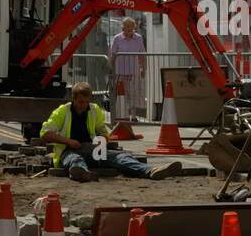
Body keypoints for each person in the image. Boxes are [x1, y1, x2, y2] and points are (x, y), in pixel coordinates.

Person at [41, 81, 182, 183]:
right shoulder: (62, 111)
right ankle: (80, 172)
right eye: (80, 102)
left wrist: (101, 141)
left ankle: (151, 171)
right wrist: (69, 141)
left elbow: (103, 132)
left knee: (121, 157)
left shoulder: (94, 109)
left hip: (92, 150)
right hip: (68, 150)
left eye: (86, 102)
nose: (83, 106)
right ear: (73, 98)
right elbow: (45, 134)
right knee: (75, 159)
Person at [108, 17, 147, 119]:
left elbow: (142, 55)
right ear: (123, 27)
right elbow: (113, 55)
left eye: (132, 26)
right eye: (127, 26)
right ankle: (122, 115)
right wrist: (111, 69)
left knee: (133, 94)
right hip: (120, 71)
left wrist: (143, 69)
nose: (130, 28)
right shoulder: (117, 38)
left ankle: (133, 117)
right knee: (121, 93)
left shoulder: (138, 38)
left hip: (134, 71)